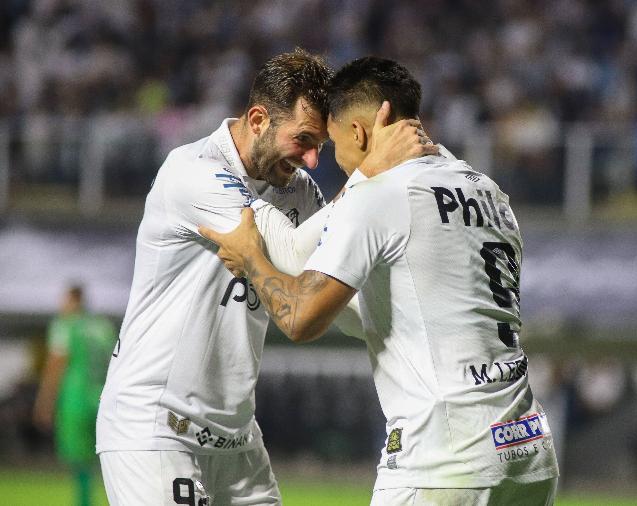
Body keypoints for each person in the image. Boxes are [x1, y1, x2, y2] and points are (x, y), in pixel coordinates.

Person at [200, 56, 560, 505]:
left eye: (333, 145)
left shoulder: (381, 195)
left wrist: (252, 258)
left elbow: (299, 318)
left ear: (361, 131)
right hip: (529, 454)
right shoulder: (489, 192)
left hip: (444, 461)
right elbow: (398, 310)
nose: (335, 160)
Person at [96, 48, 435, 506]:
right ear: (258, 120)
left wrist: (413, 323)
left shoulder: (297, 191)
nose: (314, 160)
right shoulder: (195, 172)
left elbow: (331, 291)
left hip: (235, 439)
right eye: (303, 140)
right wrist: (371, 176)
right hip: (156, 426)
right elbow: (291, 251)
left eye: (321, 146)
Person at [34, 284, 117, 506]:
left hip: (75, 400)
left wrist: (45, 401)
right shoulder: (102, 326)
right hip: (101, 399)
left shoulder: (64, 325)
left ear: (73, 300)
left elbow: (56, 364)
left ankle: (84, 502)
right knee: (106, 457)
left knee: (80, 461)